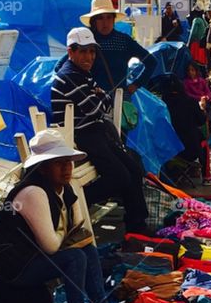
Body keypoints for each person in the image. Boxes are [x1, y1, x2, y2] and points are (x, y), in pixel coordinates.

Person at [0, 129, 107, 303]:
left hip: (35, 254)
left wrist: (66, 234)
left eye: (69, 161)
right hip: (15, 265)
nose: (67, 168)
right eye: (59, 163)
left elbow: (79, 227)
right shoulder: (33, 192)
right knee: (75, 257)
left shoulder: (65, 189)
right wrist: (66, 235)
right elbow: (52, 245)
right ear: (42, 168)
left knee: (88, 250)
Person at [51, 27, 148, 232]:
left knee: (134, 168)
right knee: (120, 176)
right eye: (84, 51)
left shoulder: (82, 74)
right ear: (71, 52)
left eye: (92, 52)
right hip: (82, 135)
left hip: (95, 130)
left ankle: (137, 224)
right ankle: (76, 203)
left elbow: (102, 104)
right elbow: (96, 109)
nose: (89, 57)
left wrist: (100, 97)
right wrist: (101, 96)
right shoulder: (69, 76)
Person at [81, 0, 154, 96]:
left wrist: (136, 84)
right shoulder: (86, 41)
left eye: (109, 17)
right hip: (91, 99)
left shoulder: (124, 40)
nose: (105, 22)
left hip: (119, 98)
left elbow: (152, 62)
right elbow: (64, 65)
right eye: (100, 18)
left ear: (114, 19)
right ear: (94, 21)